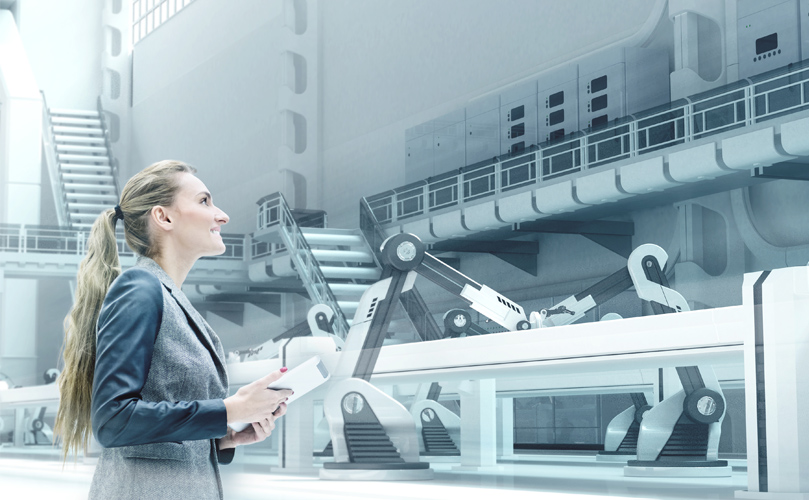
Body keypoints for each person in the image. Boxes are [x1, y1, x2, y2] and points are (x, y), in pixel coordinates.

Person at [54, 160, 292, 500]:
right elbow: (114, 419)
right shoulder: (139, 288)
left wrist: (223, 435)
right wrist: (230, 409)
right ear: (164, 217)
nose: (221, 216)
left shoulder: (170, 299)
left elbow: (158, 422)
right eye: (204, 202)